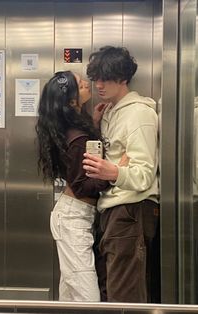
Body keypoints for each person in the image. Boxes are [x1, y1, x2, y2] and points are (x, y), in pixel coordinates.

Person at [82, 46, 159, 303]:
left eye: (106, 78)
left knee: (124, 296)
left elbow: (144, 174)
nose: (99, 85)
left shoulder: (139, 113)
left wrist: (113, 171)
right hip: (113, 210)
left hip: (131, 209)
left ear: (123, 78)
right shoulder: (111, 112)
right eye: (96, 79)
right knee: (112, 292)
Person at [35, 70, 109, 302]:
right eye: (80, 83)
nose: (87, 84)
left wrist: (94, 123)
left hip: (72, 217)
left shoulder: (71, 128)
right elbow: (82, 186)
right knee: (88, 299)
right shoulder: (77, 137)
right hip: (72, 219)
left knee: (70, 296)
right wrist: (115, 173)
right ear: (71, 99)